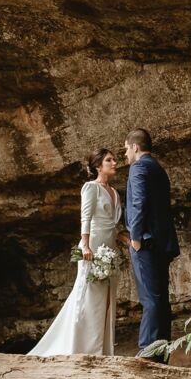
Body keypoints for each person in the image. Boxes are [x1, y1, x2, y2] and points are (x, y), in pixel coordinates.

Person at [28, 148, 122, 356]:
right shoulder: (90, 187)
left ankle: (103, 349)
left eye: (114, 159)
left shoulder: (114, 192)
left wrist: (124, 238)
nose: (114, 163)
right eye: (109, 160)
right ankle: (79, 347)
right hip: (92, 247)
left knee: (107, 298)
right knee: (88, 294)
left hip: (110, 249)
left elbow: (113, 225)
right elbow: (85, 217)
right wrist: (86, 245)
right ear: (98, 166)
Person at [124, 128, 180, 358]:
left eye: (126, 149)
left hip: (146, 243)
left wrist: (135, 238)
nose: (125, 155)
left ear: (135, 147)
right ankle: (162, 352)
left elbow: (138, 203)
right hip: (163, 243)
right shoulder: (158, 168)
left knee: (150, 299)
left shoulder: (138, 167)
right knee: (161, 299)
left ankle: (147, 351)